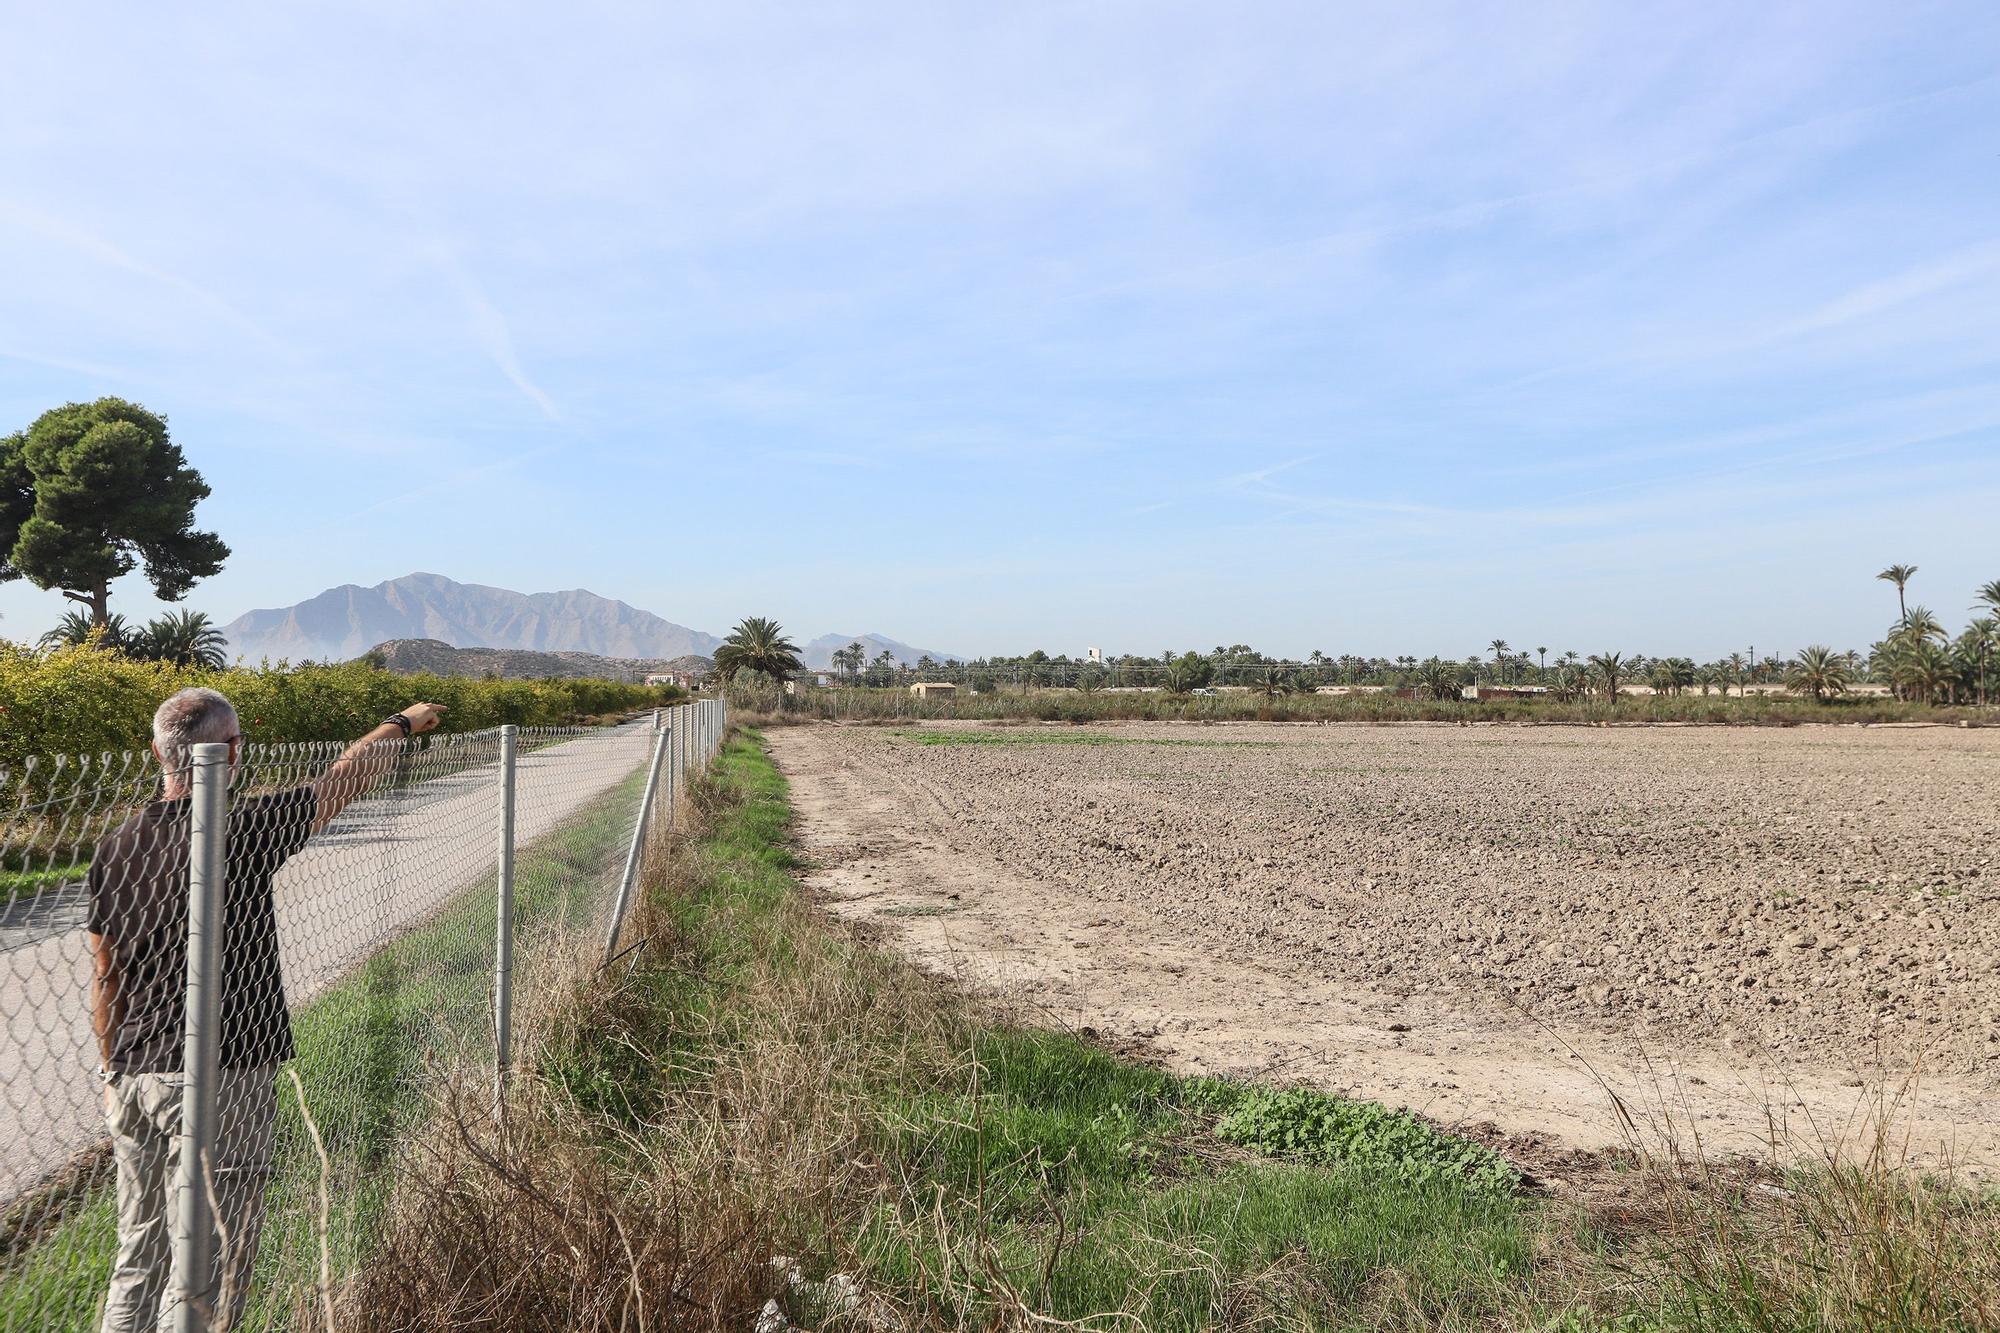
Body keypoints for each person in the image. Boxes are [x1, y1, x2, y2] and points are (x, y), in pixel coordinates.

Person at [87, 688, 444, 1333]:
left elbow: (103, 970)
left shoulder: (116, 847)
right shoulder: (236, 828)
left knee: (138, 1252)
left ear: (157, 753)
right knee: (213, 1261)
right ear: (228, 753)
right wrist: (398, 724)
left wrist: (114, 1068)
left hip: (134, 1074)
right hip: (220, 1073)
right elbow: (341, 782)